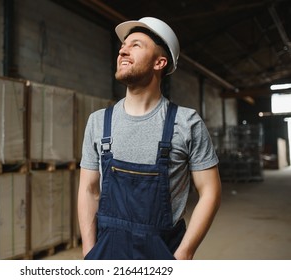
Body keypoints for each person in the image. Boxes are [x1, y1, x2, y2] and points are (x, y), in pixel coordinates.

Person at [78, 17, 221, 260]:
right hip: (106, 253)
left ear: (160, 62)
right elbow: (89, 190)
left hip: (162, 253)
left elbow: (210, 191)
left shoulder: (187, 123)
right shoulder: (98, 122)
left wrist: (184, 254)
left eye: (135, 45)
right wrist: (89, 253)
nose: (123, 49)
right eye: (123, 45)